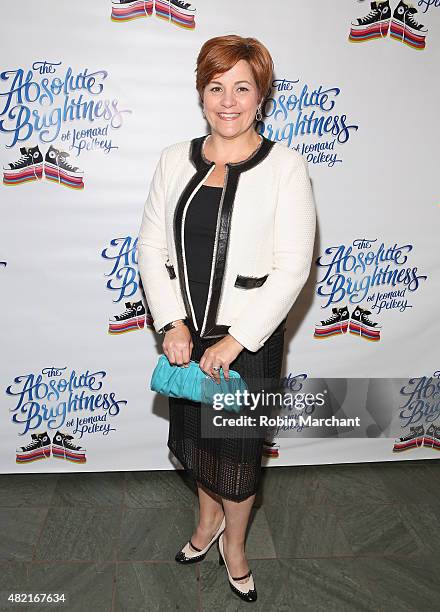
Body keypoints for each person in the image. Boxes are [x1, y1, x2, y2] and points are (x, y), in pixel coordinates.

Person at [137, 34, 316, 603]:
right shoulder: (172, 159)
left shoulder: (286, 168)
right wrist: (170, 323)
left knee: (236, 459)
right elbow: (150, 249)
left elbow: (292, 269)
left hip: (249, 344)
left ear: (262, 95)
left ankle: (234, 546)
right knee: (197, 445)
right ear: (201, 93)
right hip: (185, 341)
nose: (229, 100)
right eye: (217, 87)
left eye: (243, 86)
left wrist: (237, 341)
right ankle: (204, 523)